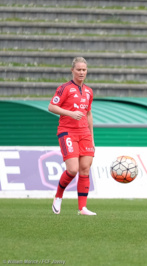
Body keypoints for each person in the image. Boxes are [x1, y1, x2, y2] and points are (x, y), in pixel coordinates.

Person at [48, 57, 96, 216]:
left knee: (85, 169)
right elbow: (51, 106)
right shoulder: (65, 88)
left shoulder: (89, 91)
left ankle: (82, 208)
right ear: (72, 70)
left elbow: (88, 114)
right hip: (67, 131)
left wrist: (92, 137)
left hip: (85, 134)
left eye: (84, 70)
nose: (82, 72)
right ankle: (58, 196)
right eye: (79, 69)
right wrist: (70, 113)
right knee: (73, 169)